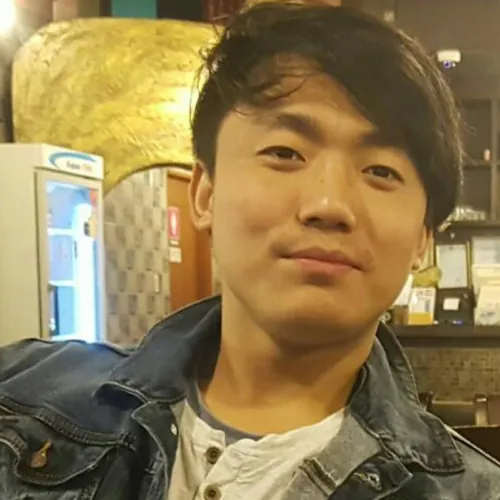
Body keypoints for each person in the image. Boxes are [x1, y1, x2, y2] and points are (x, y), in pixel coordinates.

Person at [1, 2, 499, 499]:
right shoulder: (23, 395)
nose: (328, 204)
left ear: (423, 238)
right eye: (285, 153)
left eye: (381, 172)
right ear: (205, 194)